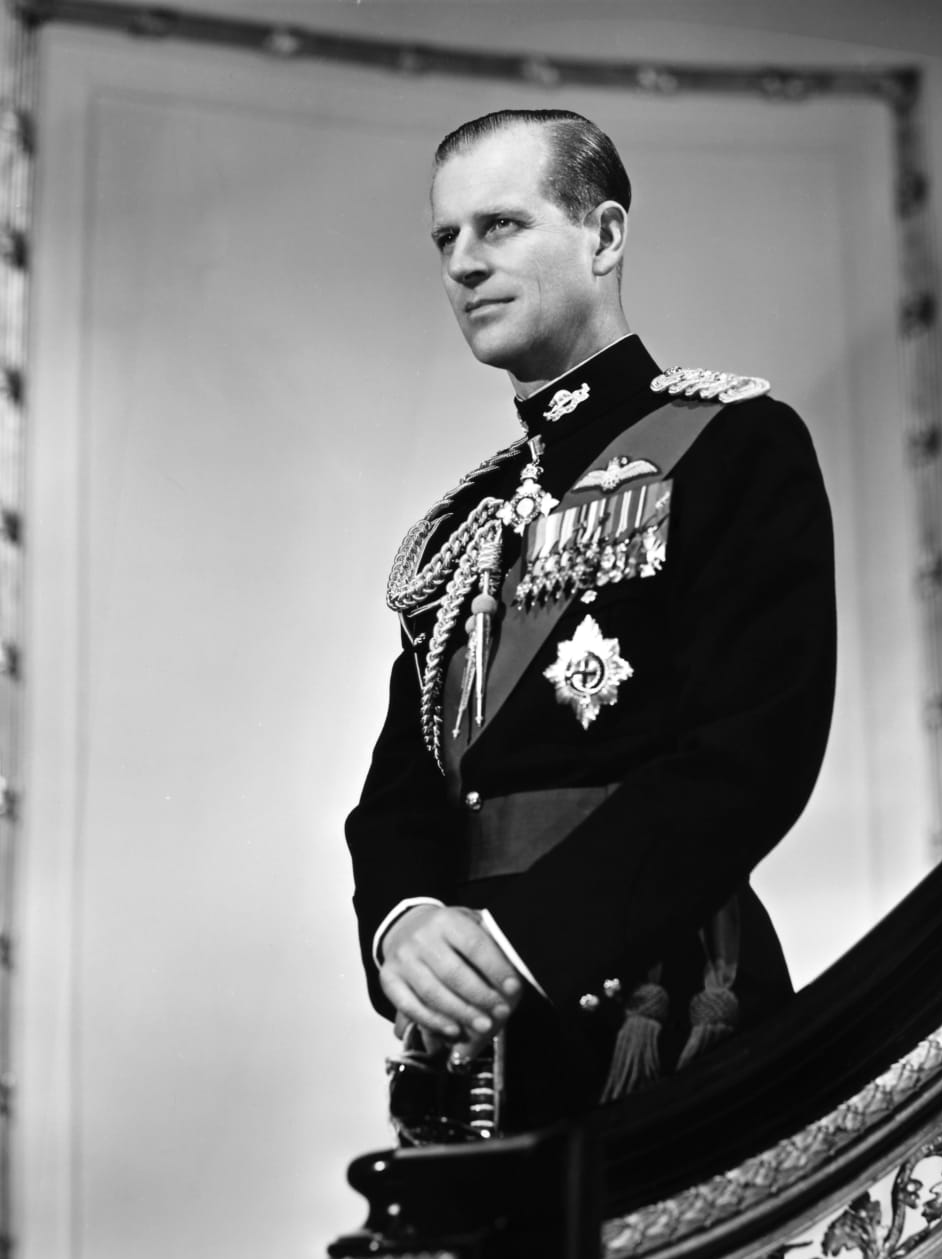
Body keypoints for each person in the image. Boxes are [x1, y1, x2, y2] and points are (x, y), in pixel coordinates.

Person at [344, 108, 836, 1137]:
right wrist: (406, 927)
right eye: (446, 238)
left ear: (603, 236)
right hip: (473, 1051)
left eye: (500, 226)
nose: (464, 264)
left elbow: (750, 755)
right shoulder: (468, 529)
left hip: (652, 1016)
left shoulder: (731, 447)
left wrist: (519, 942)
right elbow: (401, 797)